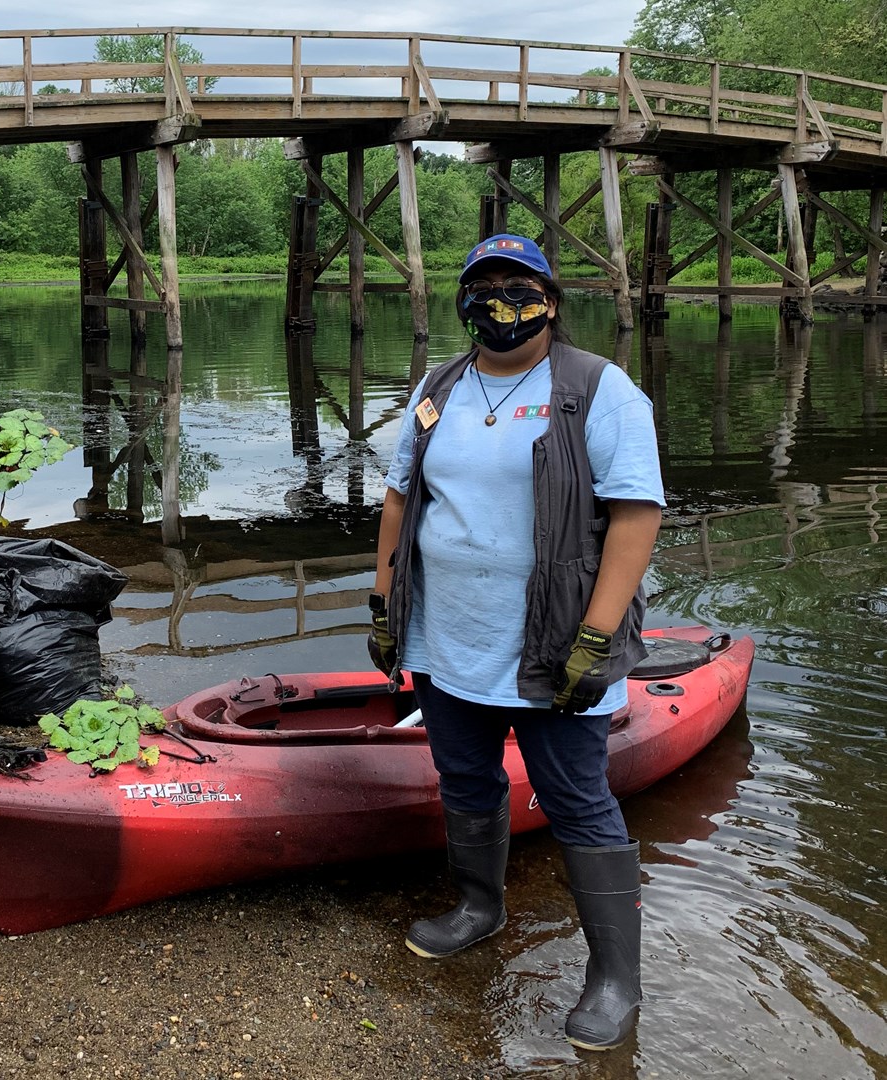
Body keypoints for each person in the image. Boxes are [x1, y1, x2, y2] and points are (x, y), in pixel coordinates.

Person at [369, 234, 664, 1050]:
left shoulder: (597, 390)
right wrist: (385, 606)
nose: (500, 301)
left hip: (554, 641)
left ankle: (614, 980)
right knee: (463, 775)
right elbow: (400, 499)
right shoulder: (438, 388)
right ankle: (479, 905)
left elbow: (636, 516)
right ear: (462, 300)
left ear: (550, 298)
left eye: (518, 285)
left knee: (576, 800)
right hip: (445, 635)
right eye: (483, 285)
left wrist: (597, 637)